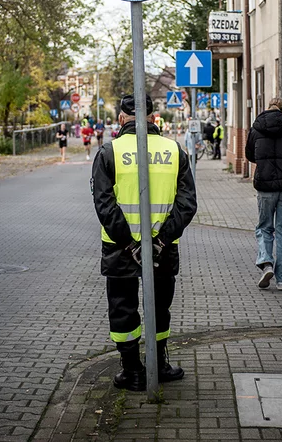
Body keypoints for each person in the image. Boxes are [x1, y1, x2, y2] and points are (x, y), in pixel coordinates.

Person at [91, 94, 197, 391]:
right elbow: (187, 204)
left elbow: (104, 205)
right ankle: (159, 364)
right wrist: (160, 241)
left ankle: (132, 370)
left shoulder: (109, 152)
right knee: (160, 306)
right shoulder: (174, 151)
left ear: (121, 118)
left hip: (119, 248)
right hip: (163, 248)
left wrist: (129, 244)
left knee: (122, 307)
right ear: (153, 117)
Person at [245, 97, 282, 291]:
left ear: (268, 107)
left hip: (265, 188)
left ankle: (266, 262)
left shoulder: (256, 129)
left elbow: (250, 155)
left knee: (264, 228)